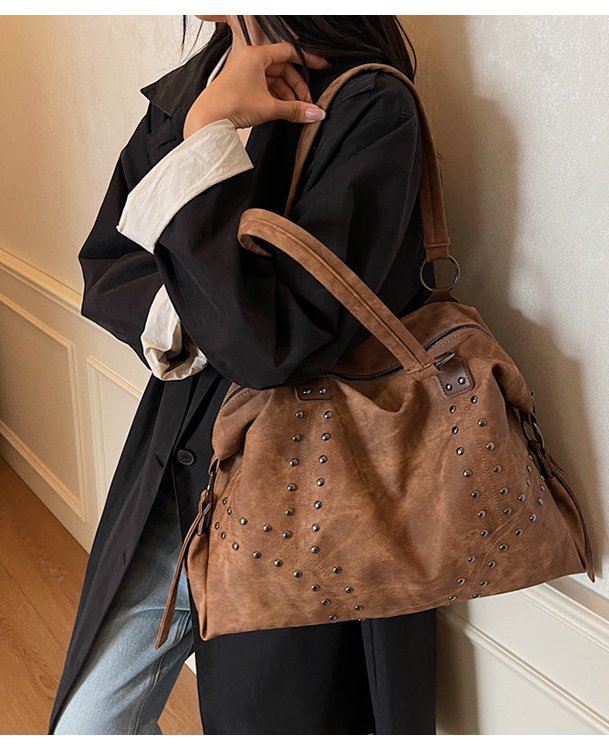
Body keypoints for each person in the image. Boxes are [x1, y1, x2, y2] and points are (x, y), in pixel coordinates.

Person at [49, 15, 438, 735]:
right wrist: (207, 315)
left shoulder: (368, 105)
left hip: (304, 494)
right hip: (178, 467)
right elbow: (109, 263)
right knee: (88, 725)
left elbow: (269, 345)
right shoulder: (194, 89)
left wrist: (206, 144)